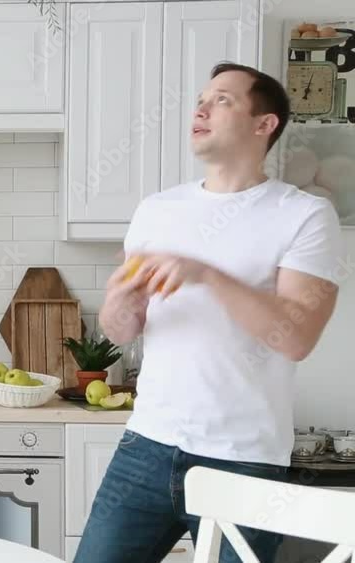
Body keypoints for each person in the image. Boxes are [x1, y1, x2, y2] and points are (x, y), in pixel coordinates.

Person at [74, 63, 344, 563]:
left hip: (244, 461)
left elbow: (297, 337)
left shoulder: (303, 214)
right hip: (146, 447)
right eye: (201, 99)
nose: (200, 109)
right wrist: (120, 303)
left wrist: (207, 274)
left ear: (264, 124)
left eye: (222, 100)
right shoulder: (156, 210)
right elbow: (122, 330)